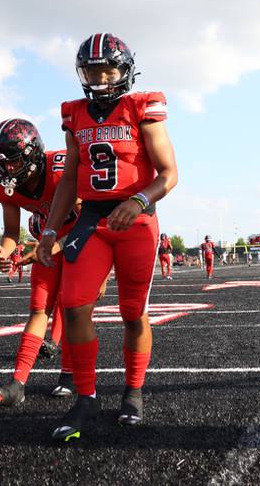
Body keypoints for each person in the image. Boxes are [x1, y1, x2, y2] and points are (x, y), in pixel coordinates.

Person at [37, 33, 178, 442]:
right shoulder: (75, 114)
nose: (100, 78)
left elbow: (169, 173)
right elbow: (69, 180)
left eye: (108, 69)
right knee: (75, 305)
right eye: (92, 71)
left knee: (133, 312)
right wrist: (49, 229)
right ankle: (86, 394)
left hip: (135, 221)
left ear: (125, 70)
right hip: (93, 220)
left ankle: (133, 390)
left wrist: (137, 200)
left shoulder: (141, 107)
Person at [0, 120, 80, 406]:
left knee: (73, 308)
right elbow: (11, 232)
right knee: (38, 309)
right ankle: (17, 383)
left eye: (12, 161)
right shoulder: (0, 185)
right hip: (48, 241)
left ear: (33, 153)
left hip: (82, 240)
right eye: (1, 163)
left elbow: (88, 221)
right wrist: (3, 250)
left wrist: (54, 245)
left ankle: (69, 375)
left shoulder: (62, 169)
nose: (7, 170)